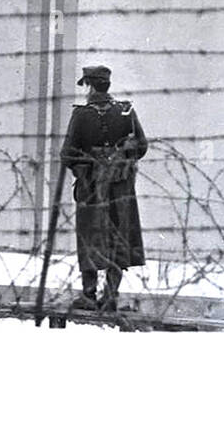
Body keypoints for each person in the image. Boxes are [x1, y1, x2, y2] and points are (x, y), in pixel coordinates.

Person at [59, 63, 147, 312]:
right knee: (118, 238)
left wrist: (86, 167)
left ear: (89, 85)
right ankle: (111, 295)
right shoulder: (125, 111)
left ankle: (88, 295)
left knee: (89, 238)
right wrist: (122, 157)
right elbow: (142, 146)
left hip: (91, 188)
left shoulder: (81, 115)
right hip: (120, 189)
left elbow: (67, 155)